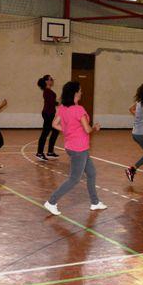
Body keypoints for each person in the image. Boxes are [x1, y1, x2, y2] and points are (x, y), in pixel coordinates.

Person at [43, 81, 106, 216]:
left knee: (91, 173)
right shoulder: (79, 109)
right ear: (75, 93)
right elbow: (87, 130)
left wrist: (67, 130)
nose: (81, 92)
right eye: (80, 90)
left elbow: (54, 124)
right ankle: (51, 202)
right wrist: (95, 127)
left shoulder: (62, 108)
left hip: (72, 147)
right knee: (74, 179)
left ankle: (95, 202)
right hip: (79, 149)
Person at [35, 74, 60, 161]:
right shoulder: (47, 91)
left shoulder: (49, 91)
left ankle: (50, 152)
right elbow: (51, 103)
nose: (52, 80)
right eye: (50, 79)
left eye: (52, 79)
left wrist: (59, 101)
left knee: (55, 131)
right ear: (46, 81)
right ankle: (39, 153)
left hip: (50, 113)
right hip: (48, 114)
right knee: (45, 133)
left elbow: (52, 102)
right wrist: (59, 103)